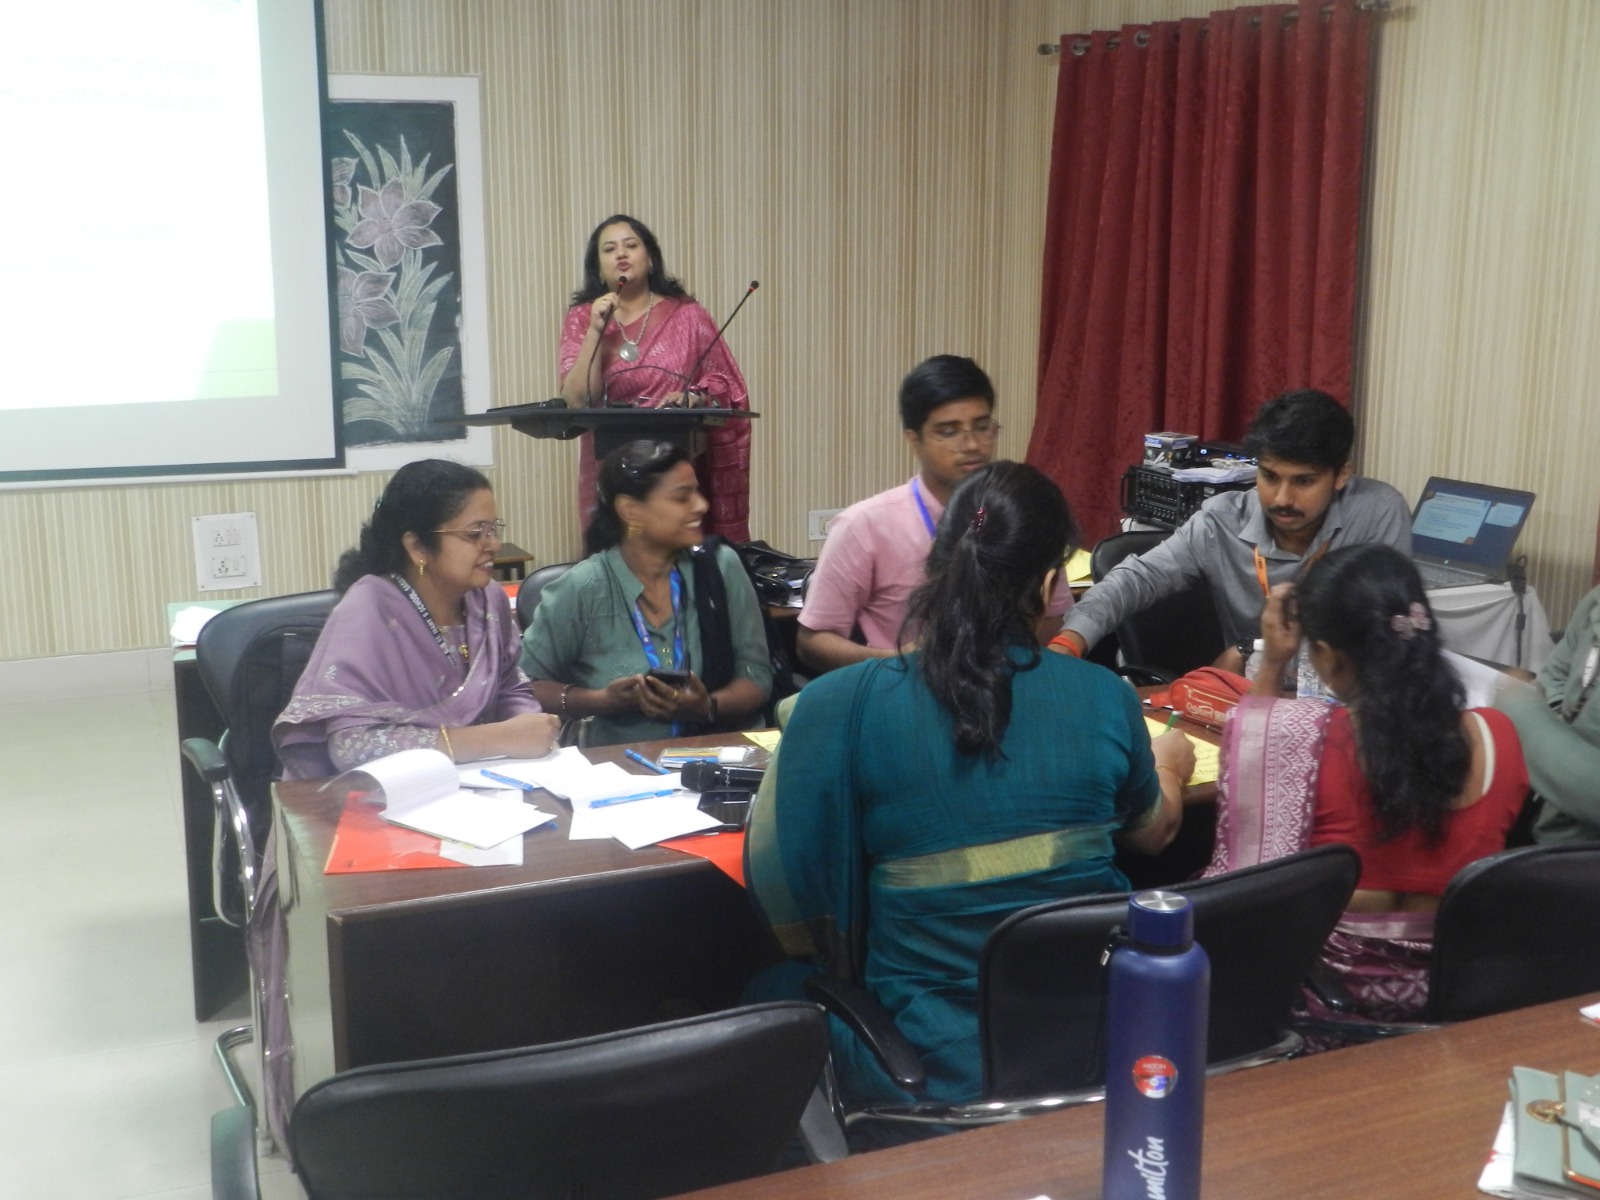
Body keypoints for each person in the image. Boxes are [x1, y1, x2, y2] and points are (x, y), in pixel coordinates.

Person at [746, 462, 1194, 1106]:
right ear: (1049, 584)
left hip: (928, 1058)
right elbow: (1155, 834)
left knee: (760, 990)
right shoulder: (1103, 695)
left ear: (938, 567)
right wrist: (1170, 764)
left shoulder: (837, 705)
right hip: (1094, 1044)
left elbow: (786, 893)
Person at [1209, 544, 1529, 1021]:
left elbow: (1248, 886)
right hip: (1457, 1007)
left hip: (1325, 1009)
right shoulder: (1498, 736)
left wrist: (1273, 663)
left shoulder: (1296, 736)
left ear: (1326, 655)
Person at [1051, 389, 1412, 670]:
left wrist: (1247, 650)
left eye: (1303, 481)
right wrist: (1068, 641)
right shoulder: (1221, 521)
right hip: (1248, 700)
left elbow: (1389, 627)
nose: (1282, 498)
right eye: (1269, 476)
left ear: (1341, 475)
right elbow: (1135, 579)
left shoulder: (1377, 513)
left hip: (1343, 700)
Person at [273, 460, 559, 779]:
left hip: (486, 782)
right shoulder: (369, 611)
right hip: (384, 793)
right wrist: (494, 740)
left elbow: (510, 688)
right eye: (475, 533)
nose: (493, 544)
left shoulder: (489, 600)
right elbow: (350, 747)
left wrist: (529, 730)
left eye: (493, 530)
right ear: (418, 547)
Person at [797, 355, 1070, 674]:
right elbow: (813, 641)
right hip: (907, 686)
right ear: (914, 440)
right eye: (949, 431)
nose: (972, 444)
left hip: (1015, 684)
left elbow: (1055, 618)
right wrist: (901, 659)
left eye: (982, 427)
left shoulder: (1025, 513)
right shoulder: (864, 526)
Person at [520, 439, 772, 748]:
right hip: (619, 764)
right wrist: (600, 701)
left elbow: (757, 675)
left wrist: (706, 707)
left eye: (697, 492)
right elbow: (525, 687)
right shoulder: (583, 587)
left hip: (719, 754)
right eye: (682, 497)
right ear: (630, 510)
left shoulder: (719, 566)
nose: (701, 506)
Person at [558, 214, 752, 542]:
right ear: (598, 267)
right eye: (609, 249)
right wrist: (595, 331)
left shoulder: (688, 316)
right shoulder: (582, 318)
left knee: (675, 561)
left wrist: (694, 396)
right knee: (616, 559)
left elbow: (726, 386)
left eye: (631, 245)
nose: (621, 254)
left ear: (650, 259)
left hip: (673, 463)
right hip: (609, 467)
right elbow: (577, 401)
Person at [1495, 583, 1600, 843]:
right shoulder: (1595, 602)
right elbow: (1555, 675)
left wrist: (1518, 709)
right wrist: (1558, 715)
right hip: (1549, 818)